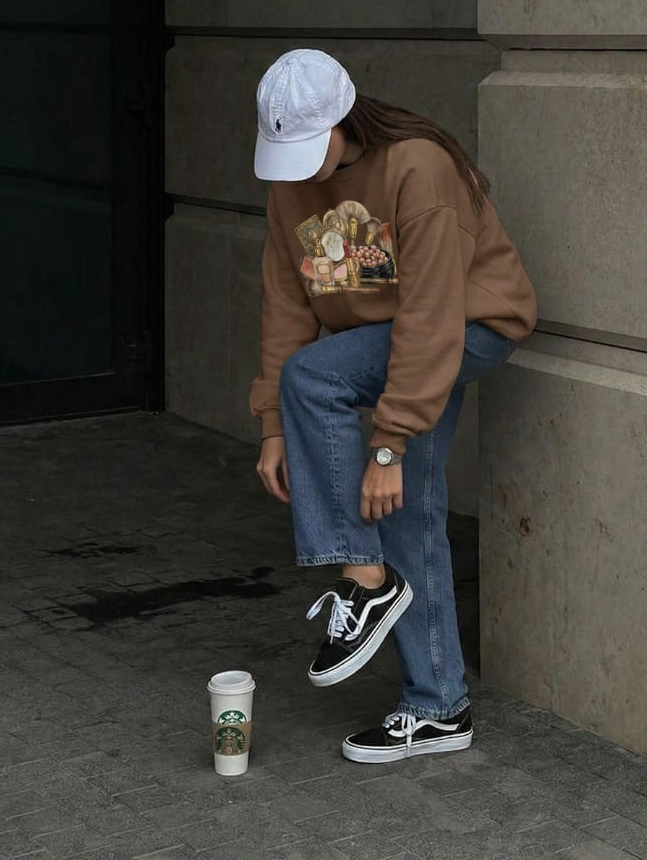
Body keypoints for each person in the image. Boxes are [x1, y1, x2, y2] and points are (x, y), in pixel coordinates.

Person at [249, 49, 536, 763]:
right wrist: (273, 427)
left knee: (315, 379)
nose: (300, 168)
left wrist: (388, 443)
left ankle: (364, 576)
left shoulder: (417, 168)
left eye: (310, 149)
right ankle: (438, 706)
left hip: (470, 325)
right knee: (403, 507)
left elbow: (432, 314)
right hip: (388, 341)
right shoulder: (291, 186)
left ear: (348, 120)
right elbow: (286, 304)